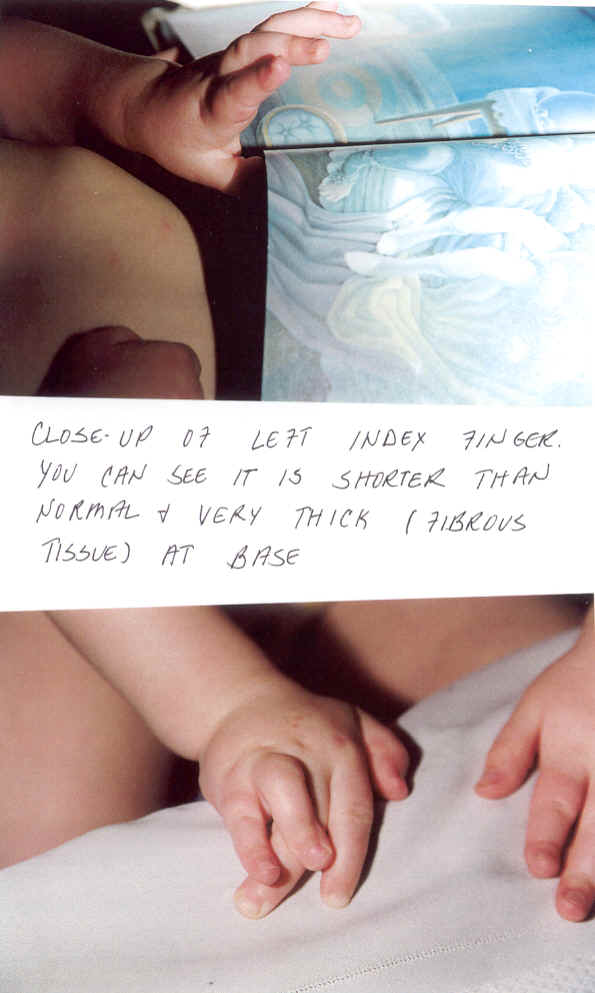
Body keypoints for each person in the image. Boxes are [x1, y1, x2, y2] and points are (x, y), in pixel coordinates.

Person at [0, 2, 592, 926]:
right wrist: (225, 701)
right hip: (83, 510)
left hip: (377, 490)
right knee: (59, 879)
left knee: (512, 772)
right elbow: (66, 506)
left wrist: (130, 99)